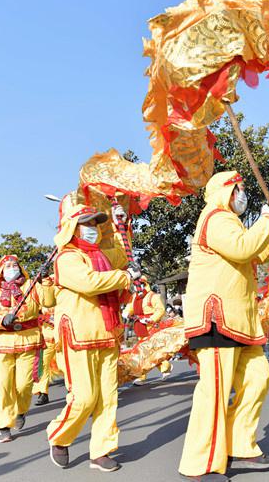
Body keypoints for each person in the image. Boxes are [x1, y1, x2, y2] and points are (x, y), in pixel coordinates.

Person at [179, 171, 269, 482]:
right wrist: (266, 220)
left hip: (239, 319)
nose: (243, 194)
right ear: (227, 190)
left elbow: (257, 253)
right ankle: (201, 465)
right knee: (214, 393)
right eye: (239, 189)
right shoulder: (214, 217)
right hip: (217, 318)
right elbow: (242, 248)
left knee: (258, 377)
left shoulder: (231, 222)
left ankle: (239, 442)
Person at [46, 200, 138, 472]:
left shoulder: (102, 254)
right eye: (86, 223)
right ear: (73, 227)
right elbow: (89, 282)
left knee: (108, 397)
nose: (92, 229)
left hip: (108, 333)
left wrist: (122, 223)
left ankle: (101, 451)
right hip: (79, 335)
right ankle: (59, 436)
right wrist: (123, 278)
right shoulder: (66, 257)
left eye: (95, 223)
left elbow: (122, 252)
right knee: (84, 397)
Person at [0, 255, 55, 443]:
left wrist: (44, 281)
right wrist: (0, 320)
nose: (12, 268)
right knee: (2, 385)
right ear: (1, 270)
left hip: (28, 341)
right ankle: (3, 424)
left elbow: (49, 302)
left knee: (24, 385)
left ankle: (20, 410)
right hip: (1, 344)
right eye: (8, 265)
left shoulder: (31, 285)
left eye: (15, 265)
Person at [122, 280, 173, 385]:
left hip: (151, 327)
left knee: (152, 351)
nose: (137, 288)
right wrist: (126, 312)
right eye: (135, 285)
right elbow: (130, 307)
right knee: (141, 352)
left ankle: (165, 367)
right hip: (139, 326)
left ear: (145, 284)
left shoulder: (152, 296)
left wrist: (152, 319)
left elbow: (160, 309)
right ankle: (142, 376)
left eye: (139, 285)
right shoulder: (134, 297)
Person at [33, 288, 60, 406]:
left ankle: (74, 391)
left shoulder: (64, 295)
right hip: (47, 338)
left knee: (67, 364)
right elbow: (33, 313)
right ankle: (43, 393)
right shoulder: (41, 297)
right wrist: (45, 318)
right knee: (43, 365)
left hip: (64, 337)